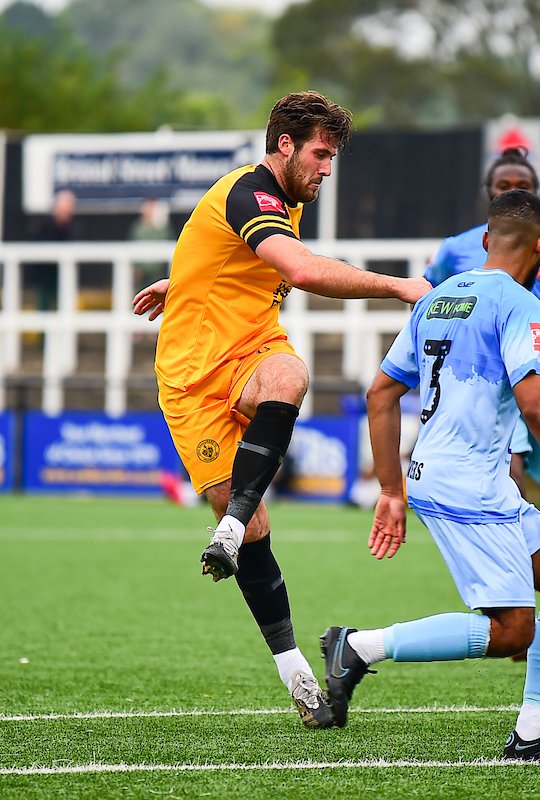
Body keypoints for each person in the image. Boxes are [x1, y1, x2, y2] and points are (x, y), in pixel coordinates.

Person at [131, 91, 431, 729]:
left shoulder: (282, 201)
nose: (327, 168)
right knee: (263, 533)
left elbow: (234, 258)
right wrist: (397, 285)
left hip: (249, 350)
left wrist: (181, 281)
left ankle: (230, 527)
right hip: (189, 379)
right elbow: (302, 269)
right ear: (285, 145)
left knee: (291, 373)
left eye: (333, 157)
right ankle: (296, 673)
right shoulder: (252, 192)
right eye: (321, 153)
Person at [320, 190, 540, 764]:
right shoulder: (523, 306)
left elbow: (381, 393)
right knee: (513, 630)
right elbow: (539, 407)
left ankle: (534, 732)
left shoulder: (439, 299)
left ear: (486, 241)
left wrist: (391, 488)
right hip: (468, 485)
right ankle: (358, 647)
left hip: (468, 479)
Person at [424, 147, 540, 558]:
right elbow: (426, 298)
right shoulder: (456, 249)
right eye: (504, 186)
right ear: (488, 192)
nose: (512, 191)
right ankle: (516, 585)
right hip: (490, 391)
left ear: (537, 192)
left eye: (522, 186)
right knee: (511, 486)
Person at [128, 197, 175, 285]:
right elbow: (132, 249)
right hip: (141, 277)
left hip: (158, 275)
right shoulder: (138, 228)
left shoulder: (163, 229)